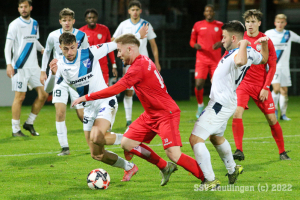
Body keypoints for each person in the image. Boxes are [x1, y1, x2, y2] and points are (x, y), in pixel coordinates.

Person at [72, 33, 205, 187]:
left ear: (129, 49)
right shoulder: (142, 60)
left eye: (120, 51)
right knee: (127, 143)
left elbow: (115, 89)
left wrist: (87, 97)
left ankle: (207, 178)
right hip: (151, 114)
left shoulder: (138, 68)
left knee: (173, 154)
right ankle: (164, 166)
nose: (118, 55)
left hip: (165, 114)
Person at [46, 29, 148, 181]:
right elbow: (47, 89)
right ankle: (129, 167)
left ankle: (129, 140)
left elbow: (116, 43)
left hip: (105, 101)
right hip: (89, 108)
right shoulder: (59, 65)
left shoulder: (90, 53)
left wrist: (138, 35)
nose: (70, 51)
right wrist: (53, 75)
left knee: (97, 136)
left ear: (77, 46)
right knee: (97, 154)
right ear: (60, 48)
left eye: (72, 47)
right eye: (66, 48)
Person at [190, 20, 269, 190]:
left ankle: (210, 181)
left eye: (224, 37)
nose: (222, 40)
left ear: (234, 38)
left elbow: (240, 61)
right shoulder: (246, 51)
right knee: (216, 137)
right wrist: (264, 44)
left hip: (220, 103)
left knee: (195, 139)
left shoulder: (240, 52)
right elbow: (263, 59)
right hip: (226, 100)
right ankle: (233, 169)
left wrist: (244, 43)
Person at [232, 9, 291, 161]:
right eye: (247, 22)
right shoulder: (239, 39)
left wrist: (265, 88)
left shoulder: (265, 40)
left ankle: (282, 152)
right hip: (243, 85)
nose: (250, 25)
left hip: (260, 86)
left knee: (272, 119)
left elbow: (272, 66)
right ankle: (239, 150)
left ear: (259, 23)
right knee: (237, 113)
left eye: (253, 22)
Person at [39, 8, 91, 156]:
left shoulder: (81, 35)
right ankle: (65, 148)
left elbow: (87, 55)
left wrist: (87, 74)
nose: (67, 22)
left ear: (73, 21)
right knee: (60, 112)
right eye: (64, 20)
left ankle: (97, 135)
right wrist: (43, 71)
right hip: (60, 78)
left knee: (82, 115)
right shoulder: (53, 36)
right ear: (60, 21)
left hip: (76, 79)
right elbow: (47, 52)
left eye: (69, 20)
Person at [111, 0, 161, 127]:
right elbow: (113, 39)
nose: (135, 12)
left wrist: (157, 62)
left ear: (140, 11)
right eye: (132, 10)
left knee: (149, 90)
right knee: (129, 91)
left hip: (145, 63)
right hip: (129, 63)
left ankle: (153, 117)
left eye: (137, 10)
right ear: (129, 11)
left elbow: (153, 45)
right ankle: (128, 120)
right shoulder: (123, 25)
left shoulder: (146, 24)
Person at [5, 0, 48, 137]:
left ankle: (29, 123)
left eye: (26, 7)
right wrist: (8, 64)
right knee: (20, 97)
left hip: (34, 67)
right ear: (18, 9)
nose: (23, 9)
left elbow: (33, 40)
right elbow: (8, 46)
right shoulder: (14, 25)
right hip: (19, 66)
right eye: (21, 7)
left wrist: (42, 49)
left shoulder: (35, 23)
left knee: (43, 95)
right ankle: (15, 129)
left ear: (31, 8)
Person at [190, 4, 223, 118]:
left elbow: (226, 39)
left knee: (216, 85)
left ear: (213, 13)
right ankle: (200, 106)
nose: (209, 13)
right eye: (207, 11)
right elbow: (191, 41)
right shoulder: (198, 25)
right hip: (202, 60)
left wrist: (221, 43)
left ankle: (216, 109)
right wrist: (195, 45)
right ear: (204, 13)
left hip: (215, 61)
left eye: (211, 11)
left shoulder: (220, 25)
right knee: (199, 84)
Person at [265, 14, 300, 121]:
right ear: (275, 23)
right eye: (278, 22)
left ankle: (283, 114)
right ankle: (274, 111)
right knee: (276, 89)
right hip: (273, 66)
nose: (280, 24)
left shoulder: (289, 34)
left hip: (285, 67)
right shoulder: (269, 33)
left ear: (285, 23)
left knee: (284, 91)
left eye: (282, 22)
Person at [79, 8, 118, 86]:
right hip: (88, 66)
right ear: (86, 19)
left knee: (104, 90)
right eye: (89, 18)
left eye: (94, 17)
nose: (92, 19)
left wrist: (114, 65)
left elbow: (110, 49)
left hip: (102, 65)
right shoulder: (81, 32)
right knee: (91, 91)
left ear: (97, 18)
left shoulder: (105, 30)